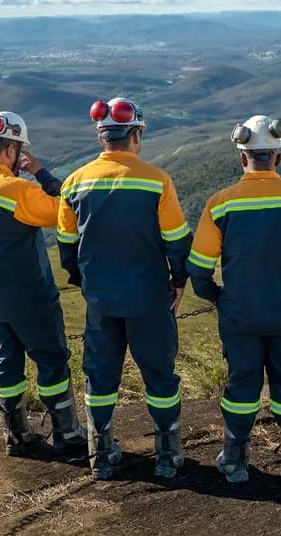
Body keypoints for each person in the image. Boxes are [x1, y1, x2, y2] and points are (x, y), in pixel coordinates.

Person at [187, 115, 281, 485]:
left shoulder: (220, 204)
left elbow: (199, 268)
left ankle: (235, 462)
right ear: (278, 158)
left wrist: (217, 297)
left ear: (242, 158)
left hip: (240, 315)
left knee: (241, 387)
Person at [57, 97, 193, 480]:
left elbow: (67, 246)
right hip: (150, 298)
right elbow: (176, 239)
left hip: (101, 300)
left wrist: (84, 281)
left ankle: (100, 456)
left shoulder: (74, 182)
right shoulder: (156, 180)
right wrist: (178, 280)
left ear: (102, 137)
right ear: (135, 135)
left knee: (99, 378)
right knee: (160, 378)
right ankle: (168, 455)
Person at [0, 110, 86, 458]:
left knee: (5, 364)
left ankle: (17, 436)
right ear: (12, 151)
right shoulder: (17, 190)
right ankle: (67, 434)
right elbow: (69, 211)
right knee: (52, 360)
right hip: (31, 294)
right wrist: (39, 172)